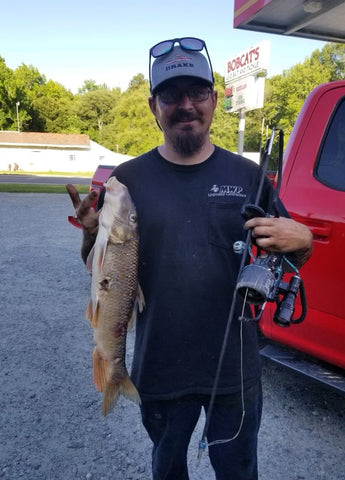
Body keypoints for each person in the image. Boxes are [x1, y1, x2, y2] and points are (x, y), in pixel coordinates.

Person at [67, 37, 313, 480]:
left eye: (197, 92)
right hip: (160, 368)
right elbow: (98, 268)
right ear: (152, 106)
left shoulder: (248, 175)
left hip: (235, 369)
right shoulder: (127, 180)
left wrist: (304, 240)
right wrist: (90, 238)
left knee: (238, 473)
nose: (185, 105)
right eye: (170, 95)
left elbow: (287, 258)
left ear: (215, 100)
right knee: (168, 471)